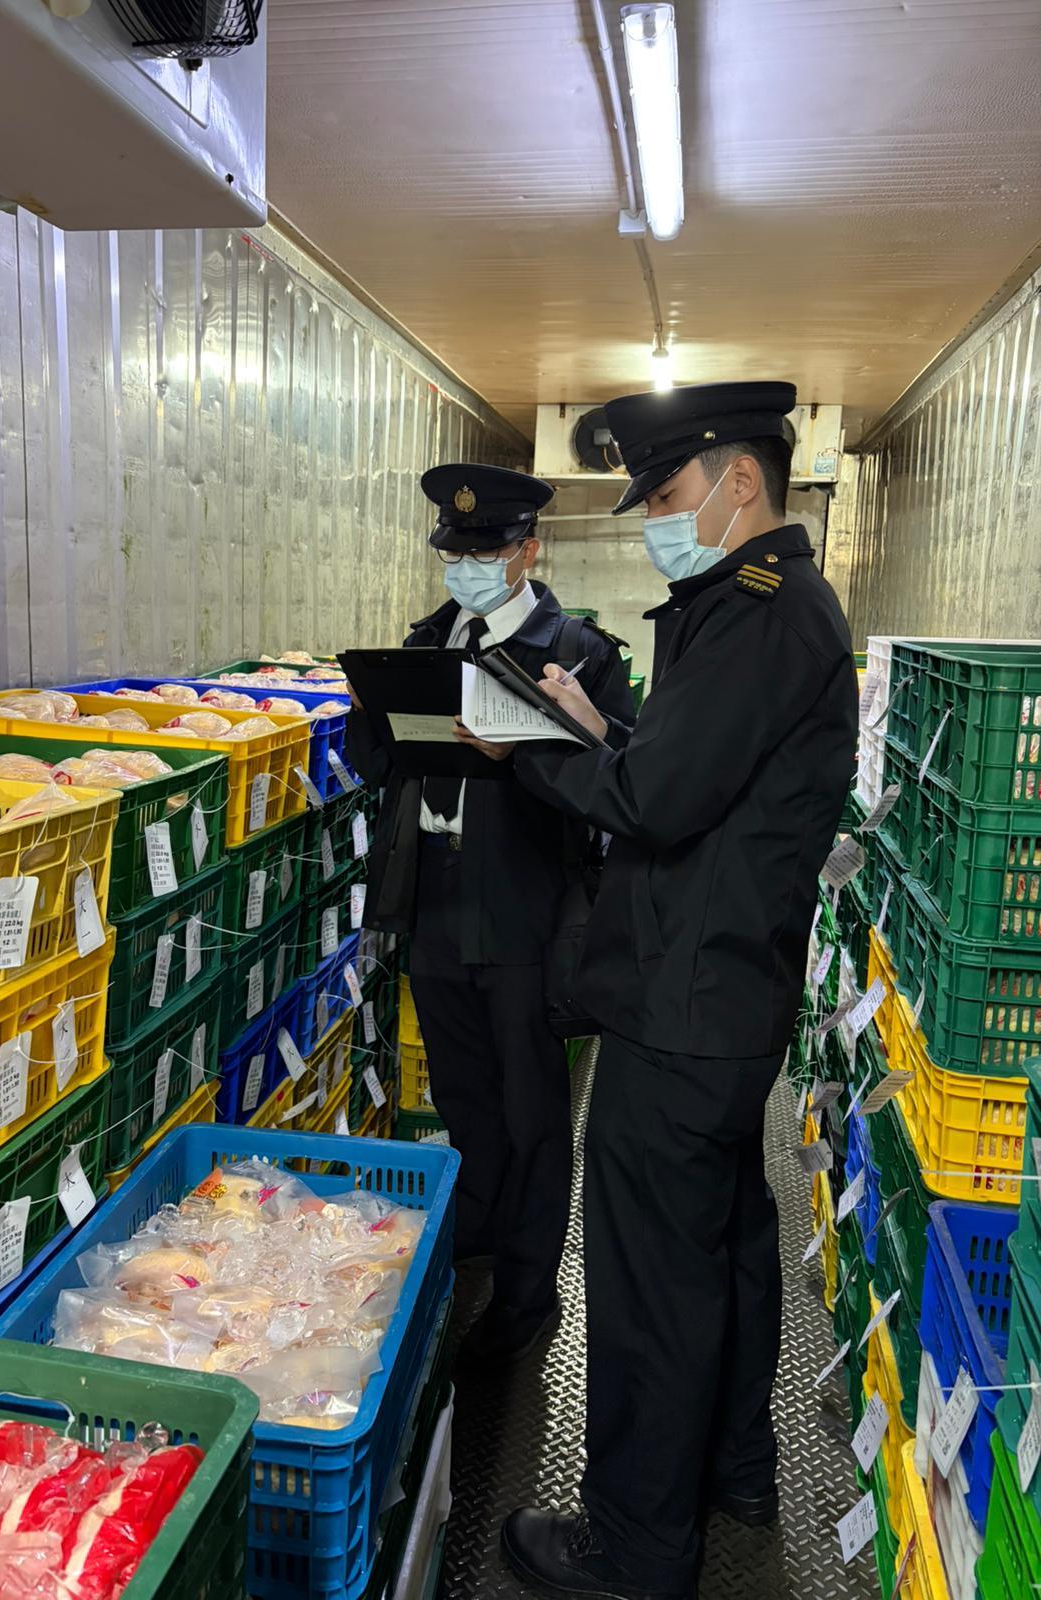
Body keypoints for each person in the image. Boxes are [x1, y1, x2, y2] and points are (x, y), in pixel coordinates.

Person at [499, 384, 858, 1599]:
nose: (655, 519)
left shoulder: (762, 614)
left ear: (737, 483)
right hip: (723, 1000)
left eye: (664, 495)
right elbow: (687, 771)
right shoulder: (773, 611)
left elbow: (655, 803)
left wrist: (532, 744)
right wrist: (600, 726)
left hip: (683, 1007)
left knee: (651, 1282)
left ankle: (637, 1548)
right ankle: (734, 1470)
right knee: (723, 1250)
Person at [345, 462, 634, 1371]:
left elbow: (614, 789)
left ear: (527, 551)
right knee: (466, 1095)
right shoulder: (428, 638)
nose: (466, 566)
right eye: (455, 551)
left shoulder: (580, 655)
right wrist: (386, 708)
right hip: (435, 901)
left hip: (524, 914)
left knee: (533, 1110)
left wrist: (526, 747)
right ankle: (480, 1230)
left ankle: (527, 1290)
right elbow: (370, 755)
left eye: (486, 550)